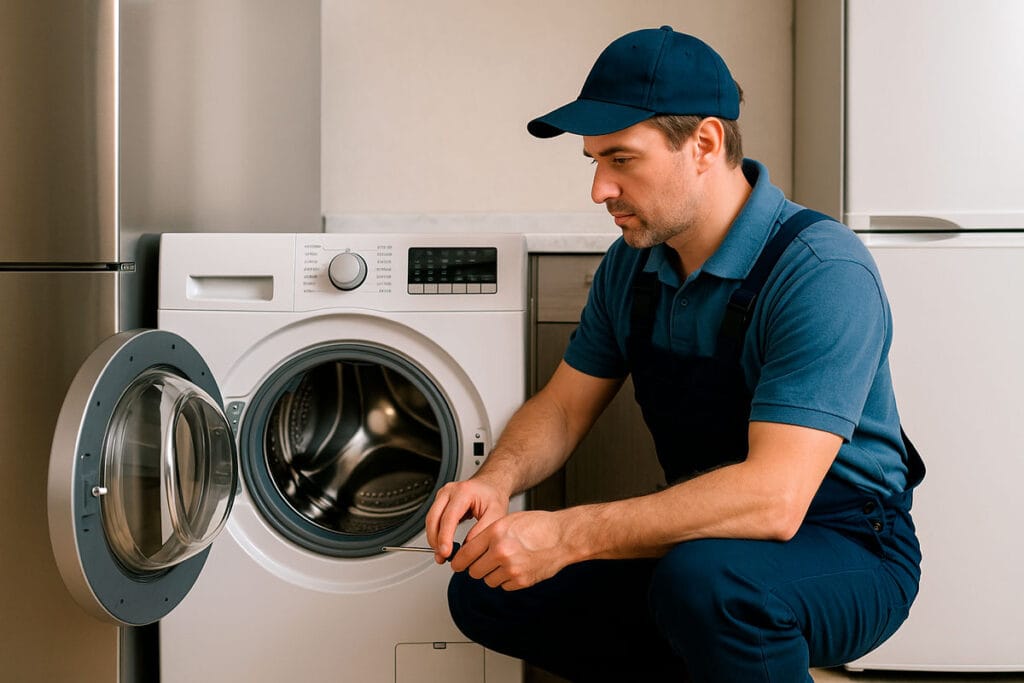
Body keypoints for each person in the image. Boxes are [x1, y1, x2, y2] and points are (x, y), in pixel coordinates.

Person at [424, 26, 924, 682]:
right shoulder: (631, 266)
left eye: (622, 159)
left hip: (846, 544)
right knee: (488, 588)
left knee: (708, 584)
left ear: (705, 144)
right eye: (593, 161)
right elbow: (563, 408)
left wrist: (565, 535)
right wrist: (496, 481)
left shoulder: (820, 270)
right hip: (705, 541)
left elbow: (775, 499)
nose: (599, 189)